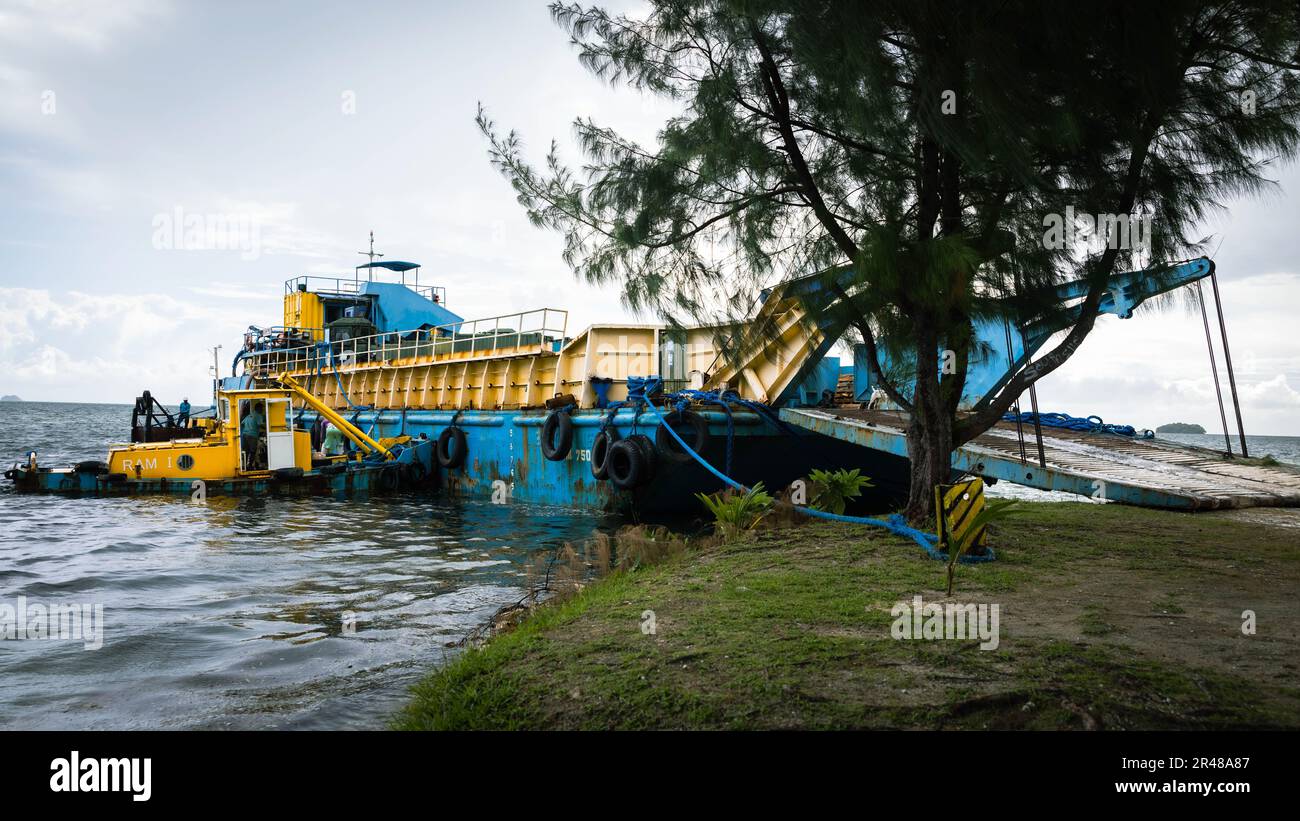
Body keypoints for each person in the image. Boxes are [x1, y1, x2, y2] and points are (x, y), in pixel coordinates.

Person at [240, 402, 264, 469]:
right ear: (259, 408)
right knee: (253, 451)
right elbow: (261, 425)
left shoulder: (249, 415)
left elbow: (242, 423)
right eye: (262, 408)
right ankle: (250, 465)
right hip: (252, 435)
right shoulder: (258, 415)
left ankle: (244, 465)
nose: (263, 409)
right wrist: (267, 429)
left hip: (245, 435)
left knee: (246, 451)